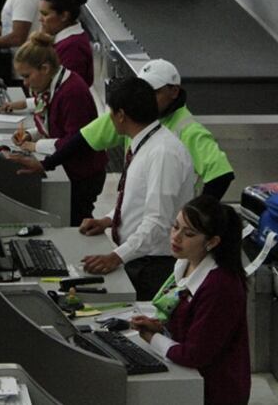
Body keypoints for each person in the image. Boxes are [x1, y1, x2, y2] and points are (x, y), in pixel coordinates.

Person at [13, 59, 235, 199]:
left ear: (173, 91)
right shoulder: (134, 113)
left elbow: (221, 173)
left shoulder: (187, 129)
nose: (145, 99)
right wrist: (46, 164)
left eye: (154, 93)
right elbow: (84, 138)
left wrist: (197, 218)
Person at [76, 77, 195, 300]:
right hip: (138, 257)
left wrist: (116, 257)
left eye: (110, 112)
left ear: (121, 115)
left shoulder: (163, 154)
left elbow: (158, 221)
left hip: (153, 266)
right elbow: (138, 198)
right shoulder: (145, 143)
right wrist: (108, 220)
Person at [130, 196, 250, 405]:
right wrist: (161, 328)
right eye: (175, 227)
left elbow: (195, 354)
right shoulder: (185, 264)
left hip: (212, 391)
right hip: (187, 376)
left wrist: (151, 337)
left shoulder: (220, 286)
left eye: (188, 234)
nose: (176, 237)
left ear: (212, 242)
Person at [4, 34, 106, 224]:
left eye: (27, 76)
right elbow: (54, 125)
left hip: (83, 174)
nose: (25, 83)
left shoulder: (72, 92)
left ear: (45, 68)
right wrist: (30, 135)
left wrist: (35, 147)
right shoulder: (53, 86)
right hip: (71, 167)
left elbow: (75, 140)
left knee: (77, 222)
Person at [37, 0, 94, 86]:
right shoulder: (65, 42)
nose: (40, 19)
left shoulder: (72, 48)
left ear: (64, 16)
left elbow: (68, 90)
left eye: (45, 14)